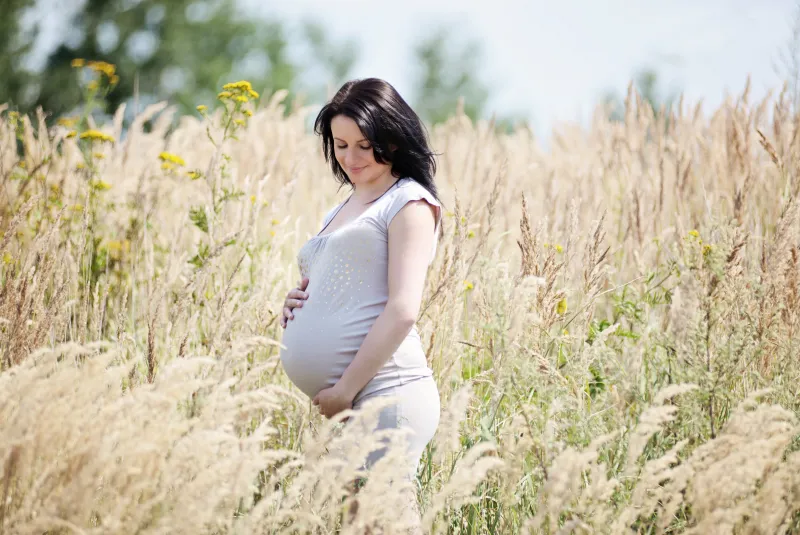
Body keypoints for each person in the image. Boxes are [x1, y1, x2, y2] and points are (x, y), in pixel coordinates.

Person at [278, 78, 442, 527]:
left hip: (385, 392)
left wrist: (346, 390)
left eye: (365, 145)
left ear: (392, 138)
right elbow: (345, 284)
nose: (350, 158)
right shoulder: (348, 204)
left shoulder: (407, 202)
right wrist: (297, 301)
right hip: (350, 403)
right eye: (341, 144)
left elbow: (403, 308)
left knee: (388, 522)